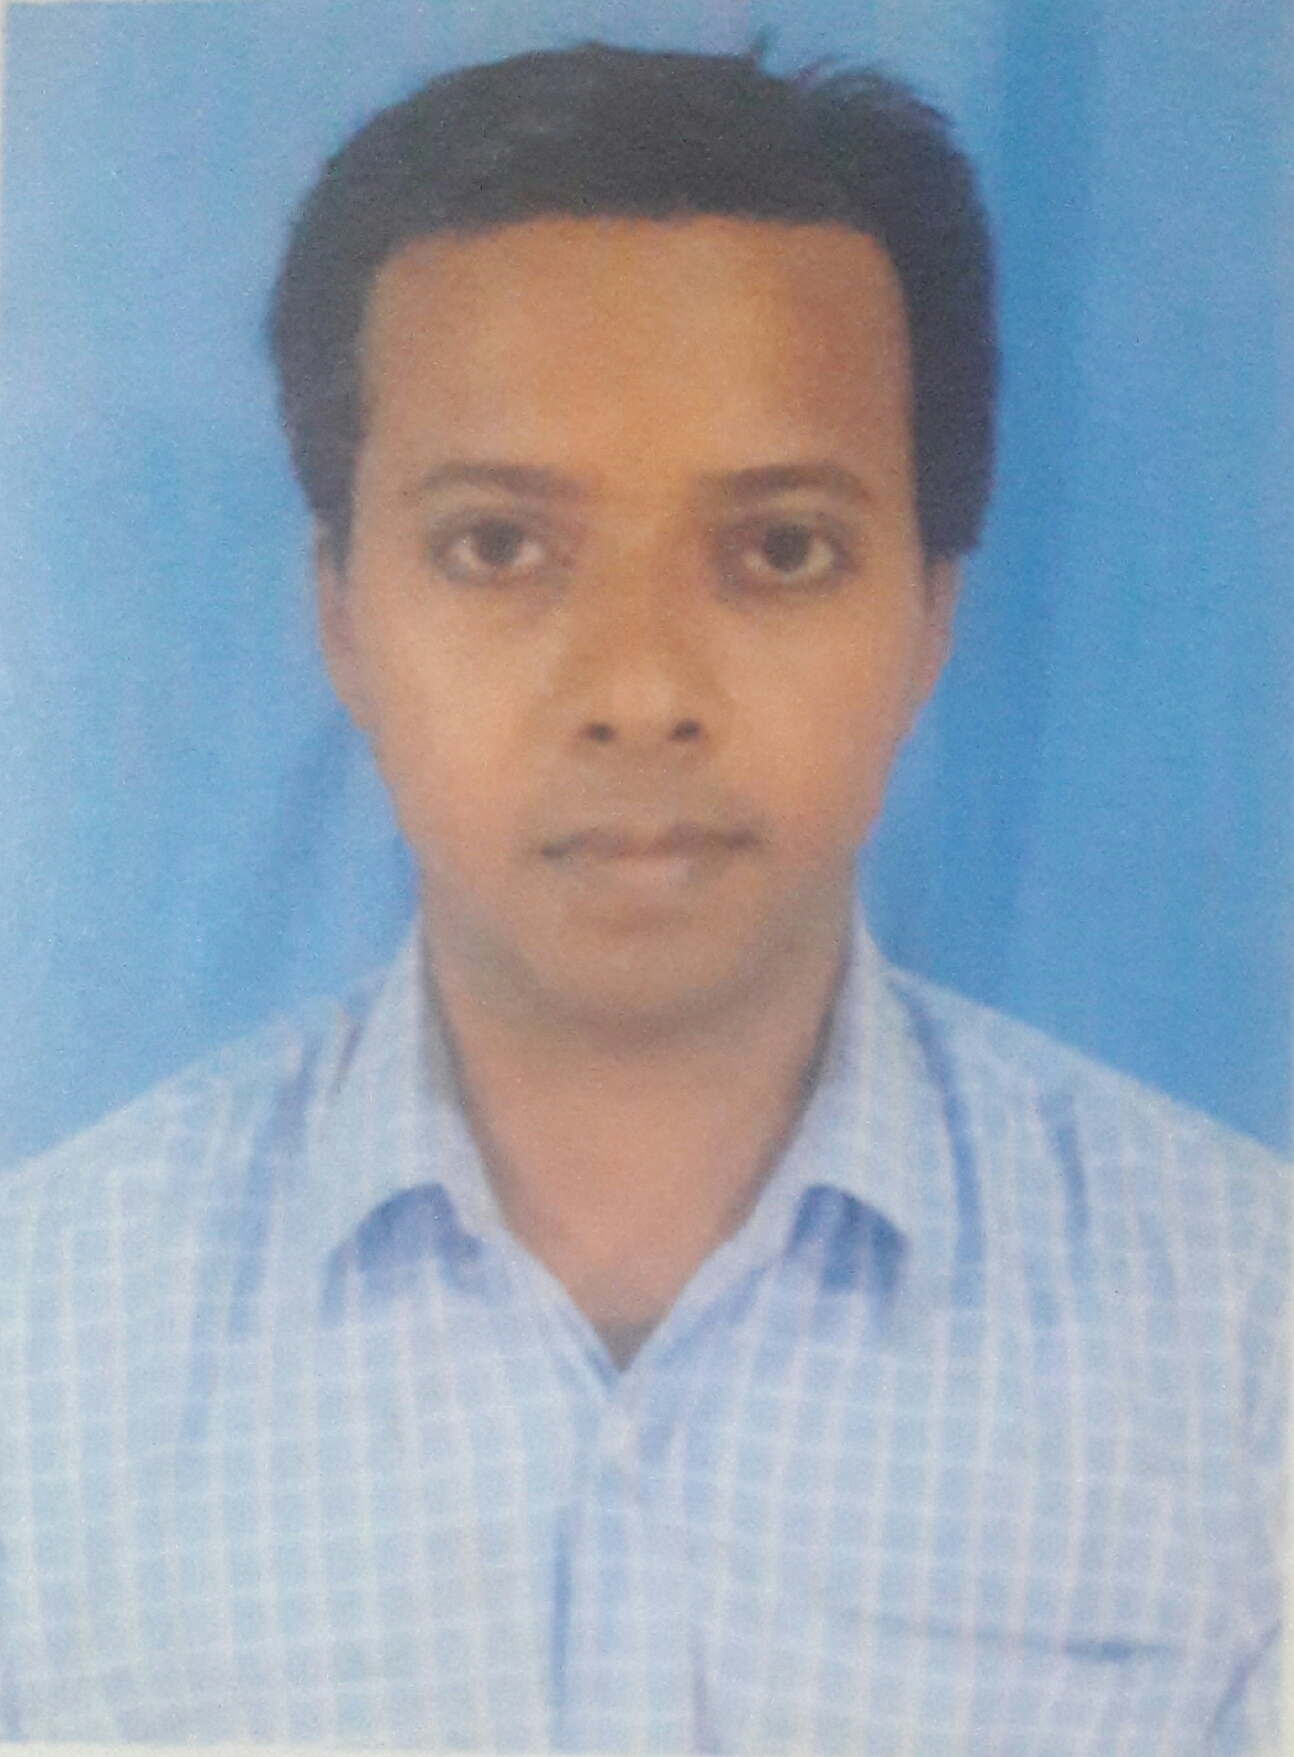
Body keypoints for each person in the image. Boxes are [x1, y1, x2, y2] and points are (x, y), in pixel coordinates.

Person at [0, 42, 1284, 1755]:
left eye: (780, 548)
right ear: (340, 616)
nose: (638, 691)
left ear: (929, 617)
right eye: (495, 546)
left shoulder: (1243, 1340)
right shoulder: (39, 1351)